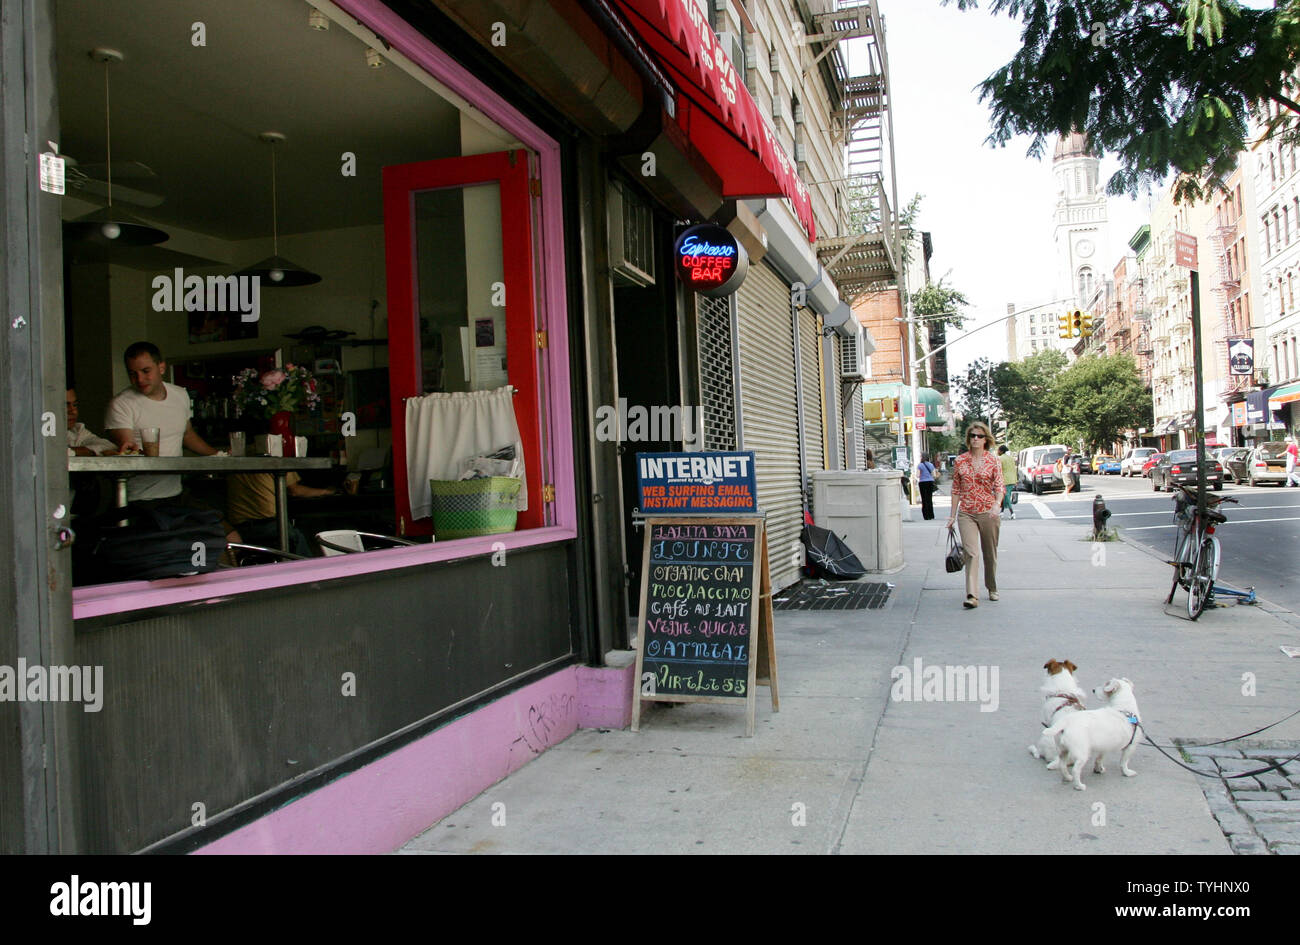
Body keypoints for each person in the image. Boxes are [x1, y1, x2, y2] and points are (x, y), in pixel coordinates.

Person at [104, 341, 222, 502]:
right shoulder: (121, 404)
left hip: (176, 492)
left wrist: (218, 455)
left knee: (219, 525)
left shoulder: (180, 394)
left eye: (146, 371)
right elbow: (128, 447)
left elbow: (187, 435)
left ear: (161, 367)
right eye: (132, 373)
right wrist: (129, 449)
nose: (139, 379)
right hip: (138, 498)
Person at [947, 421, 1004, 609]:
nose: (975, 439)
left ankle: (992, 587)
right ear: (968, 439)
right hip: (967, 512)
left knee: (990, 552)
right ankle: (972, 595)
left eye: (979, 436)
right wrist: (952, 515)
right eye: (972, 436)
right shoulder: (960, 461)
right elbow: (956, 489)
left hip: (988, 512)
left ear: (986, 439)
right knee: (971, 553)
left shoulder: (993, 460)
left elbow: (999, 486)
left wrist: (997, 504)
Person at [227, 472, 337, 557]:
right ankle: (311, 576)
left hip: (238, 530)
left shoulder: (236, 456)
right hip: (267, 526)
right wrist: (326, 492)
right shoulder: (275, 455)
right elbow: (295, 490)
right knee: (299, 537)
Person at [66, 388, 116, 457]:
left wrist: (73, 451)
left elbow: (109, 447)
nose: (74, 411)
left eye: (74, 405)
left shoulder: (76, 431)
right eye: (65, 406)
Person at [998, 444, 1016, 519]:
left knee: (1006, 497)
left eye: (998, 450)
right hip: (1012, 479)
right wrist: (1015, 480)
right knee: (1005, 496)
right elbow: (1014, 469)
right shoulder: (1011, 458)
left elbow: (998, 470)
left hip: (1005, 480)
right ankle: (1001, 512)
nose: (997, 451)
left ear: (1001, 451)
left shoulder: (1000, 458)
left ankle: (1012, 513)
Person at [917, 453, 938, 520]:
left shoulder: (920, 465)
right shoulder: (931, 465)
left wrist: (922, 475)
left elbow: (917, 475)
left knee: (924, 499)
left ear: (922, 457)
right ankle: (931, 515)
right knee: (929, 498)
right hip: (930, 482)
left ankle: (926, 516)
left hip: (922, 482)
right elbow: (934, 475)